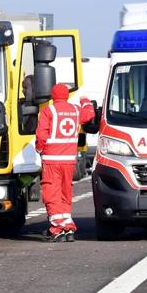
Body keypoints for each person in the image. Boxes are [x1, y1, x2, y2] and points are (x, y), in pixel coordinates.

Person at [35, 84, 95, 242]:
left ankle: (57, 229)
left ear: (53, 96)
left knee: (51, 192)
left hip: (52, 160)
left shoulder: (49, 111)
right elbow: (89, 113)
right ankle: (68, 226)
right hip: (69, 161)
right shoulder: (75, 110)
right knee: (65, 192)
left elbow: (41, 135)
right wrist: (84, 98)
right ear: (67, 95)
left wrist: (40, 149)